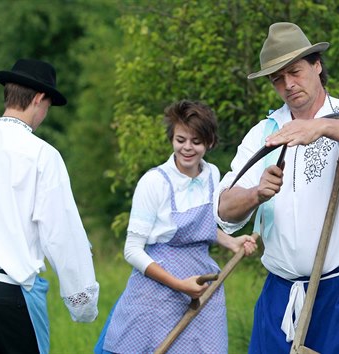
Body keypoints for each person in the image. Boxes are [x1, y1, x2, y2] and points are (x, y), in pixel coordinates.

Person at [214, 22, 339, 353]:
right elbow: (224, 210)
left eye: (295, 71)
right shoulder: (265, 133)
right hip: (281, 295)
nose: (288, 84)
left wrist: (322, 128)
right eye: (278, 78)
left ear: (317, 65)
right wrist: (255, 193)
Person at [0, 59, 99, 354]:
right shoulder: (42, 156)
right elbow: (62, 234)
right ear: (38, 98)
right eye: (48, 106)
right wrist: (83, 302)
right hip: (10, 290)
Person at [95, 100, 257, 354]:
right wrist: (179, 285)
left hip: (201, 287)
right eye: (181, 140)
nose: (187, 148)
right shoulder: (154, 182)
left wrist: (231, 241)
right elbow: (132, 251)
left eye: (196, 141)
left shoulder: (213, 175)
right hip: (156, 291)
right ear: (172, 139)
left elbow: (201, 228)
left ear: (210, 142)